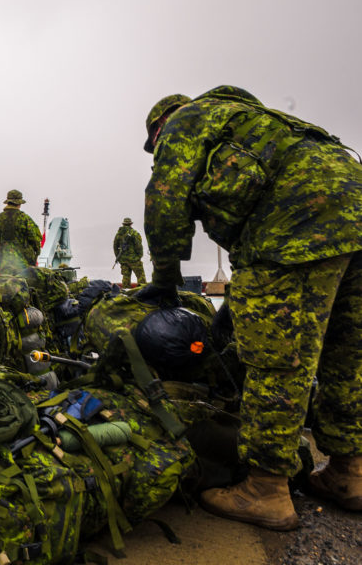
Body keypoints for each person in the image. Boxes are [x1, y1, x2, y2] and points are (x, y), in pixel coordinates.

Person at [140, 85, 362, 530]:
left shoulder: (186, 121)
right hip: (354, 215)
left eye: (154, 144)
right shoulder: (258, 124)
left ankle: (265, 490)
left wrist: (164, 281)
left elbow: (165, 204)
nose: (156, 151)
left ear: (160, 126)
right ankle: (350, 472)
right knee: (346, 354)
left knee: (278, 360)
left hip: (296, 229)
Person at [0, 189, 41, 274]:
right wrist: (36, 254)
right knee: (22, 283)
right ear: (19, 204)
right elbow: (35, 240)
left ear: (8, 202)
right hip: (23, 262)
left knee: (5, 282)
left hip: (2, 261)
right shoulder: (25, 219)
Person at [113, 217, 146, 286]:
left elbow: (115, 246)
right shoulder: (134, 233)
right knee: (140, 276)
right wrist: (139, 256)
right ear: (131, 224)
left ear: (123, 224)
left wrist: (118, 257)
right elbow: (138, 246)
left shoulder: (119, 234)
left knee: (126, 277)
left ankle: (125, 292)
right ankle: (143, 291)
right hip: (134, 259)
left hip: (123, 260)